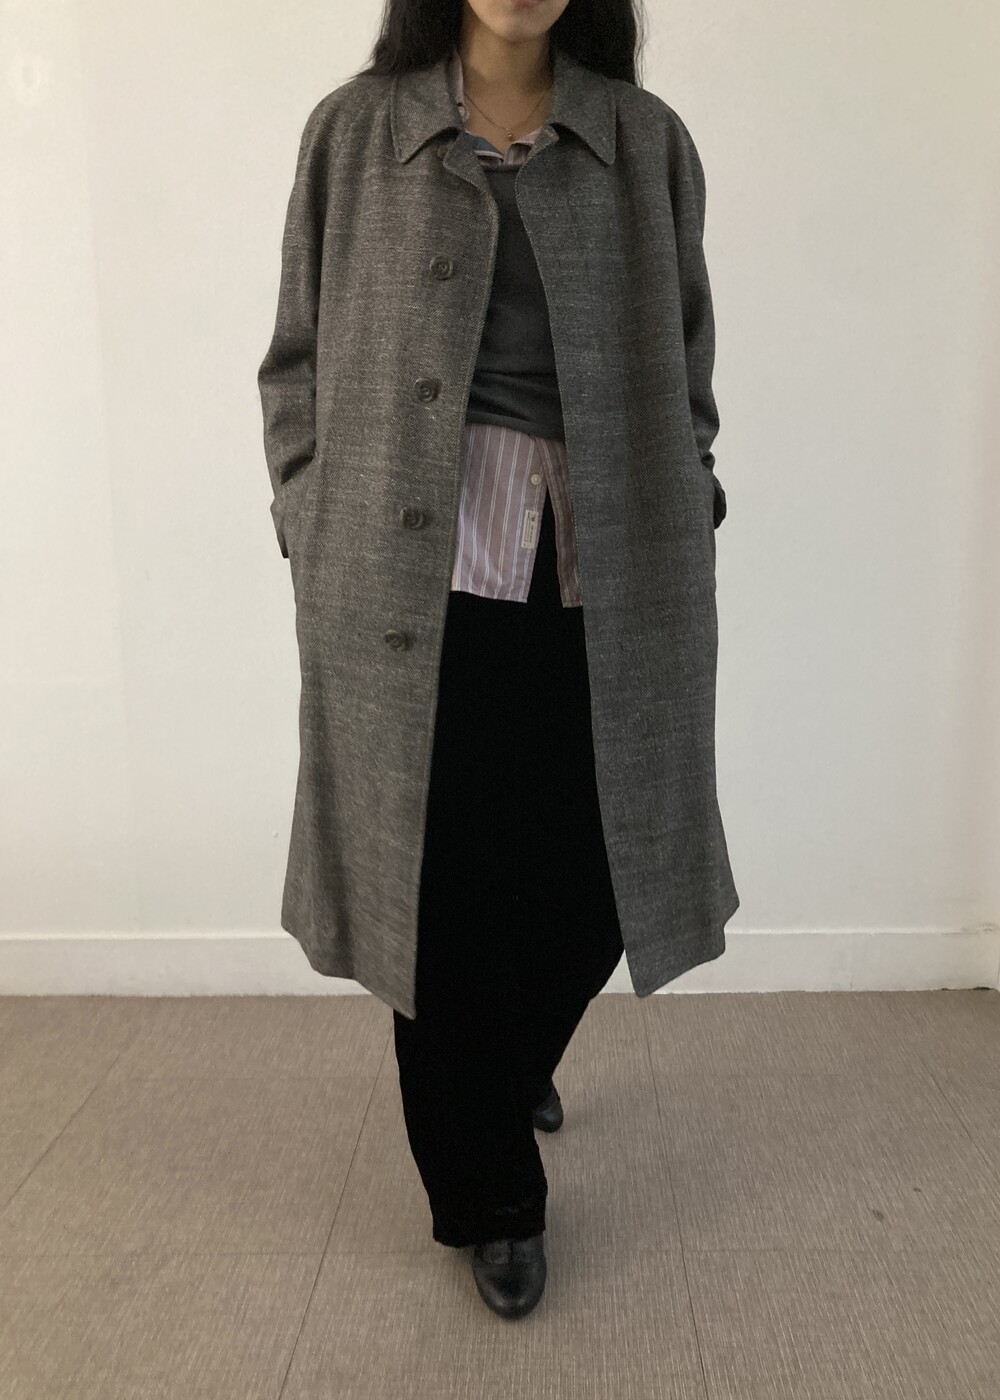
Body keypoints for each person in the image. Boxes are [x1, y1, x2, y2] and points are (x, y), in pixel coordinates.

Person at [258, 0, 737, 1322]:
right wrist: (306, 506)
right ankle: (491, 1199)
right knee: (439, 879)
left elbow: (688, 357)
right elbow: (295, 358)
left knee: (599, 863)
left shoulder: (644, 140)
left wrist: (691, 491)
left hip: (607, 553)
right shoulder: (356, 133)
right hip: (401, 563)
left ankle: (508, 1054)